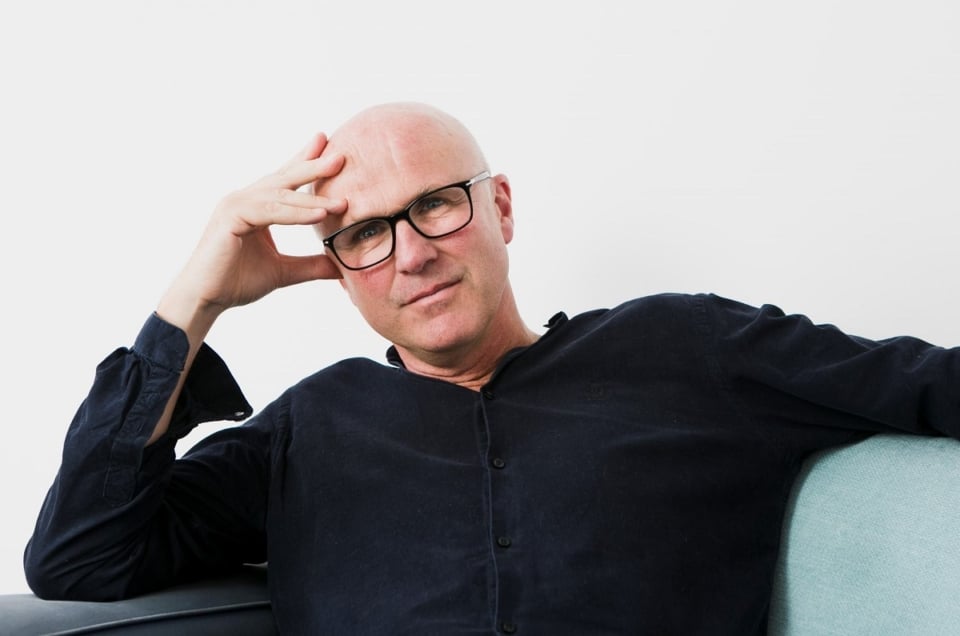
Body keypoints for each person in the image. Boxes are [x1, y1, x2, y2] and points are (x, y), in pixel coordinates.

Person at [24, 102, 960, 635]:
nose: (411, 255)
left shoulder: (690, 348)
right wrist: (195, 300)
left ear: (501, 207)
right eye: (365, 234)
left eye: (435, 205)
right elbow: (78, 558)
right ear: (338, 268)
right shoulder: (310, 429)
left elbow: (929, 384)